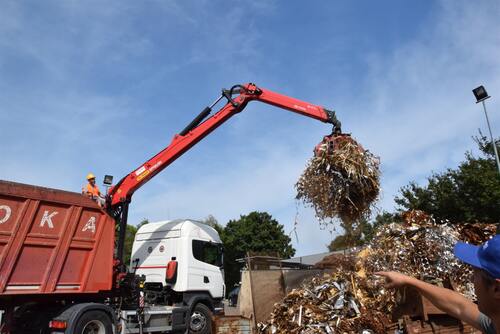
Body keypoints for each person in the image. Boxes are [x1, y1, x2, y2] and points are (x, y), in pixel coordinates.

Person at [377, 235, 500, 334]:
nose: (472, 279)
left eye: (475, 273)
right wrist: (408, 280)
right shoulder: (494, 323)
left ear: (496, 289)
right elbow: (459, 306)